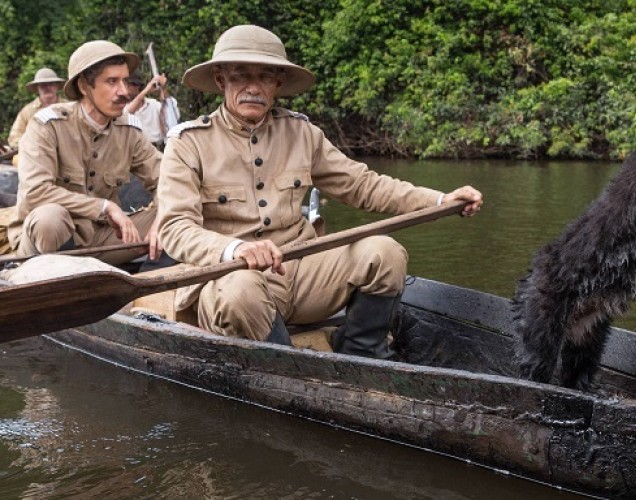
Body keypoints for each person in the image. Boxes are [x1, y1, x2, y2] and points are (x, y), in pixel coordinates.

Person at [157, 25, 483, 355]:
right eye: (240, 76)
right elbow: (174, 228)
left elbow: (363, 185)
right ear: (220, 80)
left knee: (385, 253)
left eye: (265, 77)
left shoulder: (303, 133)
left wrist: (440, 200)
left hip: (299, 271)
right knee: (241, 292)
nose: (253, 87)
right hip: (227, 278)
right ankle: (288, 368)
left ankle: (362, 354)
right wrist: (234, 249)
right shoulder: (188, 143)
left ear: (278, 84)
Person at [8, 40, 163, 265]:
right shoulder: (48, 125)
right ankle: (51, 290)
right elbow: (36, 192)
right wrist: (104, 206)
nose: (124, 92)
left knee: (181, 215)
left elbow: (169, 178)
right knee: (50, 218)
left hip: (102, 239)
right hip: (45, 244)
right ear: (83, 86)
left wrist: (162, 219)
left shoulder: (128, 130)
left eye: (125, 81)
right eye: (112, 82)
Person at [7, 68, 67, 155]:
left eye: (51, 84)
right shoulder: (27, 111)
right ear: (37, 88)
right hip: (36, 157)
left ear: (57, 86)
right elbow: (14, 137)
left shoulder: (70, 107)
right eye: (43, 85)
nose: (47, 87)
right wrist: (32, 145)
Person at [125, 73, 180, 149]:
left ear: (137, 86)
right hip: (138, 152)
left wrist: (163, 88)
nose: (124, 89)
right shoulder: (122, 108)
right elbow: (126, 113)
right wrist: (146, 90)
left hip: (158, 149)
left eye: (128, 85)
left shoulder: (154, 104)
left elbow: (173, 115)